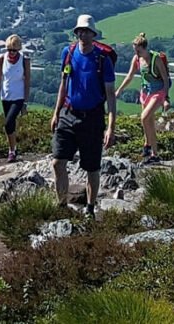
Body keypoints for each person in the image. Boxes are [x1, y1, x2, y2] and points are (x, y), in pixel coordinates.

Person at [50, 13, 116, 214]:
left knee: (92, 168)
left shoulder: (102, 59)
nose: (83, 35)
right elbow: (63, 84)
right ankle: (62, 205)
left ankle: (90, 208)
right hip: (68, 114)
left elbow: (110, 95)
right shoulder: (68, 52)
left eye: (87, 31)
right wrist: (56, 113)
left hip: (93, 118)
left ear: (93, 34)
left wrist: (111, 127)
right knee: (57, 162)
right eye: (80, 31)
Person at [116, 33, 171, 162]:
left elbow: (165, 79)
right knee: (149, 122)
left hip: (158, 92)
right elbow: (129, 76)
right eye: (135, 50)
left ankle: (150, 148)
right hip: (145, 92)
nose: (136, 53)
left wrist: (166, 98)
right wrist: (119, 90)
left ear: (145, 48)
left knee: (144, 118)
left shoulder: (156, 59)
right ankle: (151, 150)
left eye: (138, 50)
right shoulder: (136, 59)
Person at [0, 32, 31, 162]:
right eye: (9, 50)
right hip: (5, 96)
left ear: (19, 49)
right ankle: (12, 149)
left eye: (14, 50)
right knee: (10, 125)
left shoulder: (24, 60)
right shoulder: (2, 59)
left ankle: (12, 151)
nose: (12, 52)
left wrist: (25, 103)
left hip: (18, 97)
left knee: (8, 122)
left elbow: (27, 82)